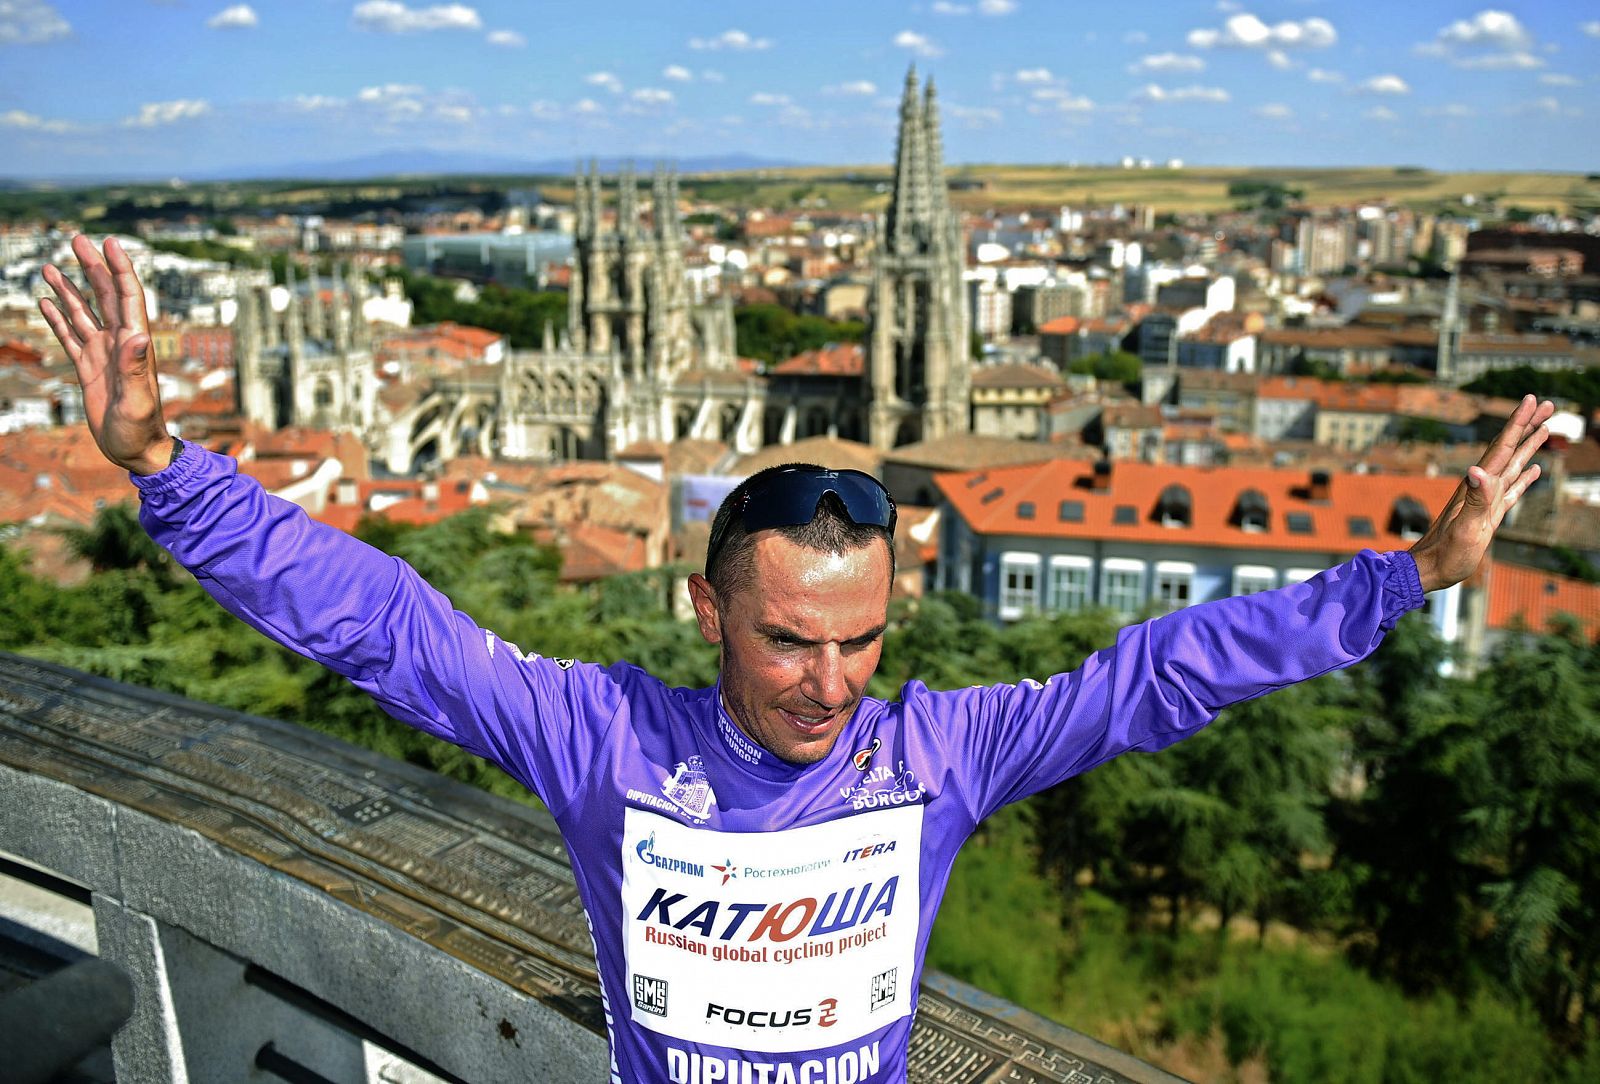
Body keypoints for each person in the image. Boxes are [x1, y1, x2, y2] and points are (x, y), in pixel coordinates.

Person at [40, 236, 1552, 1084]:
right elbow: (381, 625)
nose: (831, 686)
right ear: (708, 612)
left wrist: (1408, 577)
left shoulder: (937, 752)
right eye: (786, 641)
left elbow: (1161, 673)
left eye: (861, 641)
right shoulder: (601, 737)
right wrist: (166, 465)